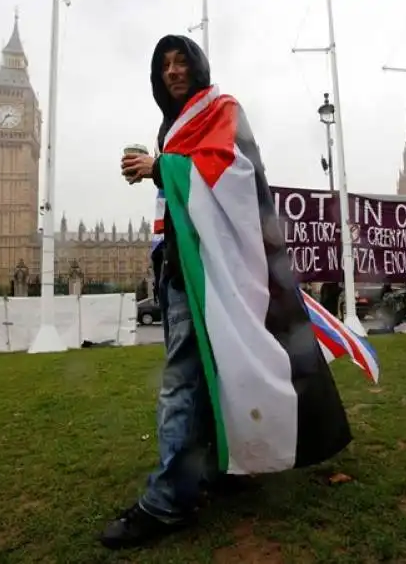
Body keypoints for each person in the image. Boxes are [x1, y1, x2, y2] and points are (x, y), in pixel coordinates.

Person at [103, 34, 353, 550]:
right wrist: (162, 170)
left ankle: (169, 499)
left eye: (181, 62)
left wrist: (163, 167)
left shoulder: (219, 108)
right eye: (163, 65)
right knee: (203, 374)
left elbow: (235, 176)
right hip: (180, 269)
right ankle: (212, 470)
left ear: (198, 66)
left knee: (179, 384)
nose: (173, 71)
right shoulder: (174, 126)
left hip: (210, 274)